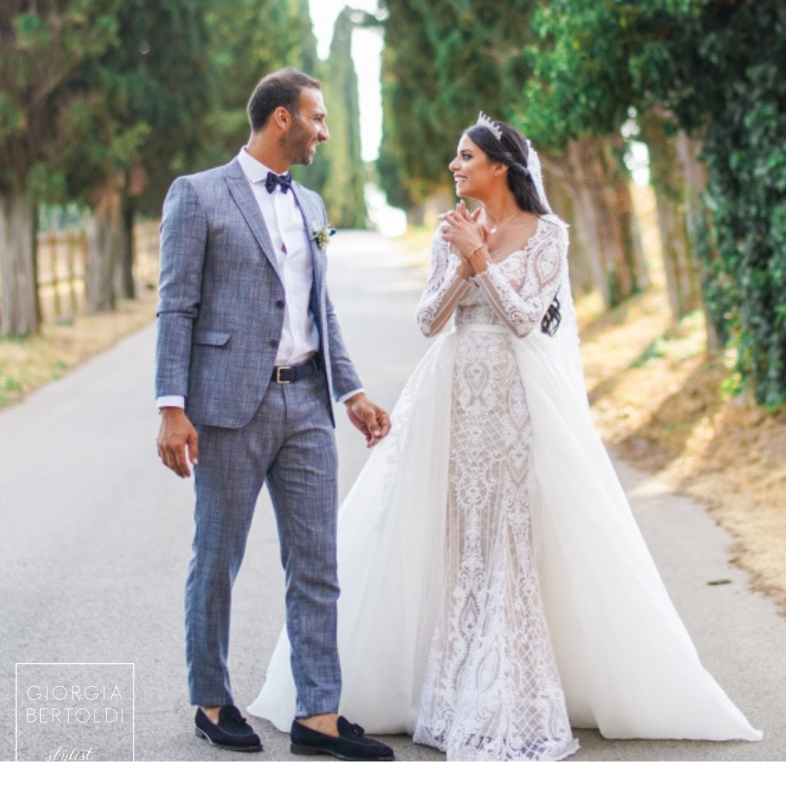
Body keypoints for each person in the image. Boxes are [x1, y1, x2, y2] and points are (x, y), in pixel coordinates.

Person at [249, 113, 762, 760]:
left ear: (500, 166)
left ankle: (507, 682)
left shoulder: (548, 234)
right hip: (451, 396)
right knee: (455, 526)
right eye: (454, 156)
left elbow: (524, 320)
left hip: (516, 398)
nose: (454, 166)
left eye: (466, 156)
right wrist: (463, 261)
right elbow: (429, 321)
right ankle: (445, 683)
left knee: (509, 525)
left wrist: (480, 258)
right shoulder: (451, 229)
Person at [155, 67, 395, 761]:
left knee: (317, 563)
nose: (325, 132)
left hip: (308, 404)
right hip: (229, 409)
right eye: (317, 118)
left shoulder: (312, 204)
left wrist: (351, 392)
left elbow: (322, 310)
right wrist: (171, 408)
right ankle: (211, 701)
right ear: (282, 118)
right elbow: (176, 306)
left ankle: (318, 714)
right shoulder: (198, 194)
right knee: (217, 559)